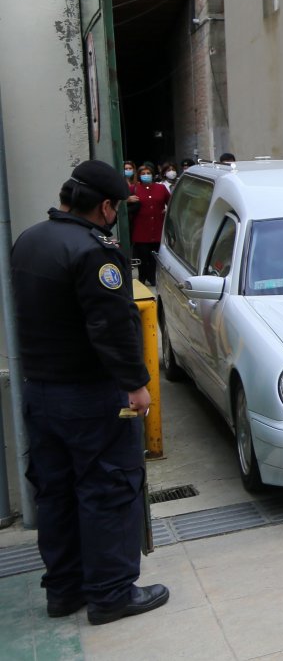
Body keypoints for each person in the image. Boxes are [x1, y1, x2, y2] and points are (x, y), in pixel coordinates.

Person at [12, 160, 169, 624]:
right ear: (104, 206)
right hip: (90, 396)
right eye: (116, 206)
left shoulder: (29, 240)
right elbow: (111, 327)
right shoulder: (94, 252)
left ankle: (64, 590)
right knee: (108, 489)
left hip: (40, 393)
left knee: (56, 492)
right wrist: (136, 385)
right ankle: (111, 593)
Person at [127, 163, 169, 286]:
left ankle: (153, 278)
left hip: (157, 227)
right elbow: (119, 203)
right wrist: (127, 200)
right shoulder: (134, 189)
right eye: (143, 174)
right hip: (141, 229)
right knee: (143, 257)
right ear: (139, 176)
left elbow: (170, 201)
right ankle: (142, 278)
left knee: (155, 257)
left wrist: (168, 209)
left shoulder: (161, 188)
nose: (146, 176)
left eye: (148, 173)